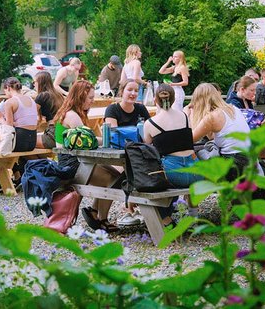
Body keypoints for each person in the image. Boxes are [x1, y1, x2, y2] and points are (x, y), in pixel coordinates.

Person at [53, 80, 121, 233]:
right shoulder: (72, 117)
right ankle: (101, 218)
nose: (92, 101)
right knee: (113, 180)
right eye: (90, 98)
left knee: (115, 175)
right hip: (73, 164)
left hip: (74, 160)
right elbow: (87, 141)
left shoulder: (71, 113)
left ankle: (95, 212)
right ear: (80, 97)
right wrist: (108, 139)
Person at [143, 84, 201, 225]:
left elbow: (147, 146)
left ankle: (166, 220)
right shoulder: (185, 116)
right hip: (196, 171)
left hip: (174, 173)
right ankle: (193, 216)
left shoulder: (150, 123)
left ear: (156, 100)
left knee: (152, 177)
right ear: (174, 99)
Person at [104, 79, 150, 227]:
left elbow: (149, 133)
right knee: (130, 170)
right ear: (122, 91)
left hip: (138, 152)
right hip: (117, 153)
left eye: (136, 90)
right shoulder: (112, 110)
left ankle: (135, 207)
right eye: (129, 90)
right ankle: (129, 208)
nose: (133, 93)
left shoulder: (141, 110)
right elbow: (114, 135)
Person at [190, 83, 251, 180]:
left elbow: (189, 140)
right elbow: (212, 137)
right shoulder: (233, 109)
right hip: (249, 160)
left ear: (199, 101)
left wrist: (193, 114)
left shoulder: (212, 117)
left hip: (234, 163)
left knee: (197, 157)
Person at [2, 77, 39, 153]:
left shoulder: (9, 102)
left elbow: (8, 127)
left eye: (5, 91)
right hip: (32, 142)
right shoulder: (31, 99)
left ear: (8, 88)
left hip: (19, 142)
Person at [34, 71, 64, 149]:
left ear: (40, 82)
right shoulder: (58, 94)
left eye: (34, 82)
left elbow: (32, 116)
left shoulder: (42, 96)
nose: (33, 84)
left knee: (24, 142)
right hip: (62, 133)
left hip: (53, 135)